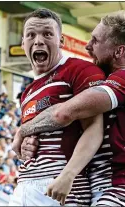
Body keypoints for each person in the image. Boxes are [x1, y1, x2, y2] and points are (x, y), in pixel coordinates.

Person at [14, 11, 125, 206]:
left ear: (119, 51)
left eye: (95, 41)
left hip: (120, 188)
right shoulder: (110, 80)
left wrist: (23, 130)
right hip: (99, 185)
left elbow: (64, 113)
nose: (87, 46)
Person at [10, 8, 106, 206]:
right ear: (22, 43)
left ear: (61, 41)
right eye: (31, 35)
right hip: (24, 186)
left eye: (47, 34)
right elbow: (34, 135)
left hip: (61, 186)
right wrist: (26, 146)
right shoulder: (27, 92)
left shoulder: (80, 70)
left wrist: (68, 175)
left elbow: (94, 129)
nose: (38, 40)